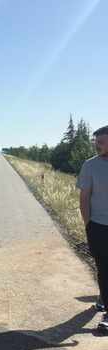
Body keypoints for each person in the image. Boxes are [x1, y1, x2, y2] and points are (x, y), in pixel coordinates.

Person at [77, 124, 108, 332]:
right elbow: (84, 197)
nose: (96, 145)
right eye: (95, 141)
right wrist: (89, 226)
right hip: (99, 226)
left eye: (101, 141)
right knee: (104, 268)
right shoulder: (90, 165)